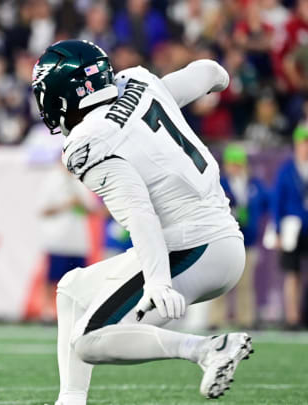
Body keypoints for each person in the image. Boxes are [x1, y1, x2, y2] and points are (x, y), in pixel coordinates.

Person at [31, 40, 251, 405]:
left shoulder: (89, 140)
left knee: (90, 341)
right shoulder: (139, 82)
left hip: (193, 246)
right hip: (215, 236)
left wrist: (158, 281)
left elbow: (139, 210)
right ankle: (70, 400)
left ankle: (207, 349)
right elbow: (209, 72)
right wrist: (221, 80)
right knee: (73, 288)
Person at [209, 144, 270, 330]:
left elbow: (266, 201)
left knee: (245, 283)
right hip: (224, 239)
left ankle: (246, 318)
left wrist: (253, 218)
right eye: (232, 163)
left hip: (246, 239)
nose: (234, 167)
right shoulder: (220, 185)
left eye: (237, 163)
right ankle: (216, 319)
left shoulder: (252, 184)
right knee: (220, 282)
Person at [37, 160, 98, 321]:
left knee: (79, 279)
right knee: (53, 278)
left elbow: (92, 209)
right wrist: (66, 205)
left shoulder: (79, 180)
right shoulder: (51, 180)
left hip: (77, 240)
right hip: (57, 239)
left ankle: (78, 311)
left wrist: (80, 203)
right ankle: (48, 311)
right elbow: (43, 209)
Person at [273, 124, 308, 330]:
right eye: (302, 143)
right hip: (292, 229)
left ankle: (304, 315)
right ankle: (292, 317)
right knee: (291, 274)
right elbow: (278, 202)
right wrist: (277, 230)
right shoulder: (287, 170)